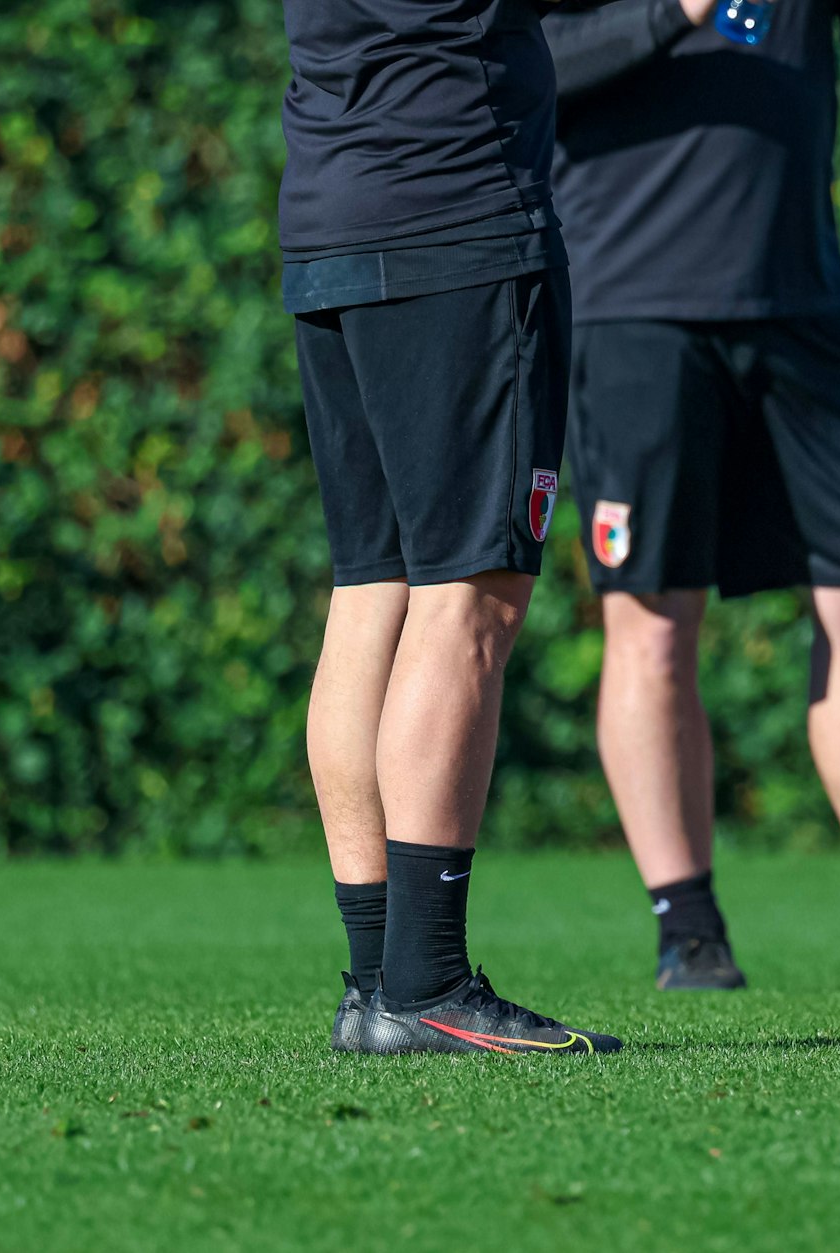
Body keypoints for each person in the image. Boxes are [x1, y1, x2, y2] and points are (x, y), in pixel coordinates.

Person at [544, 0, 840, 988]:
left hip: (799, 305)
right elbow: (531, 66)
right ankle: (688, 924)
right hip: (635, 308)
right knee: (651, 623)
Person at [280, 0, 619, 1053]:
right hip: (453, 218)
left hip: (328, 214)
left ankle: (374, 983)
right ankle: (423, 981)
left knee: (372, 584)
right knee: (467, 594)